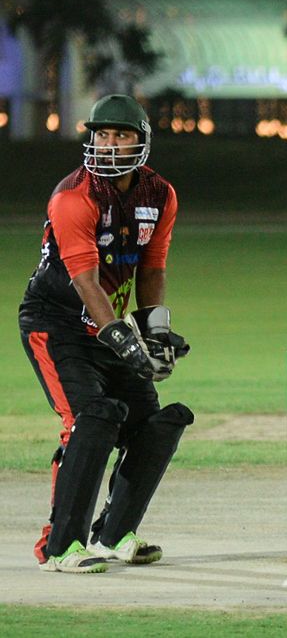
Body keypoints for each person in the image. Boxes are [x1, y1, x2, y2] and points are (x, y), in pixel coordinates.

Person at [19, 94, 192, 573]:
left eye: (121, 135)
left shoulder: (160, 194)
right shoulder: (74, 197)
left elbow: (152, 268)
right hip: (56, 324)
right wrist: (122, 339)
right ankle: (59, 547)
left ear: (142, 141)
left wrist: (154, 330)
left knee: (154, 425)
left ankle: (113, 536)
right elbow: (85, 281)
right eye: (102, 134)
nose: (109, 144)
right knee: (90, 419)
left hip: (106, 323)